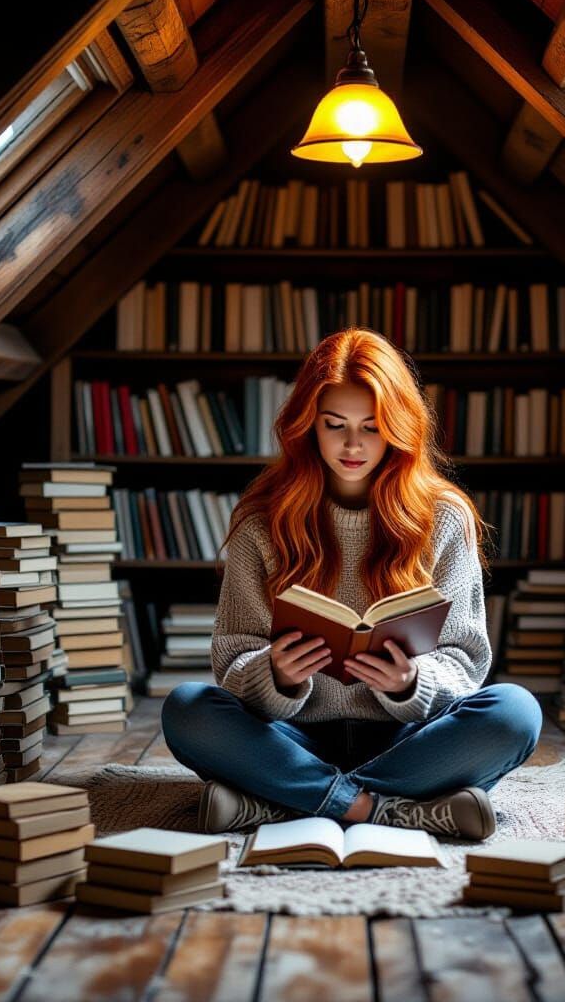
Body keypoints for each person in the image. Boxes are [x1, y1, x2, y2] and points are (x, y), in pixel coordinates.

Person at [161, 328, 542, 840]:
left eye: (372, 426)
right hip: (291, 737)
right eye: (335, 425)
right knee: (188, 708)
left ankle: (280, 803)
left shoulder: (444, 518)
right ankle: (385, 808)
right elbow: (232, 654)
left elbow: (465, 658)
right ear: (308, 426)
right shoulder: (261, 522)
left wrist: (411, 683)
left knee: (515, 712)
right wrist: (278, 675)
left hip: (408, 737)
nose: (353, 445)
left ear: (397, 428)